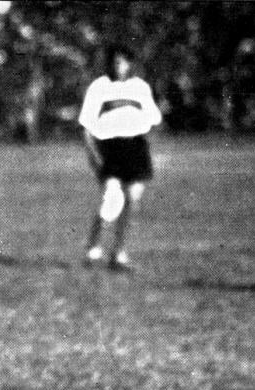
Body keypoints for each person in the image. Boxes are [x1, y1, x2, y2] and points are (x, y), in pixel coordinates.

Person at [79, 44, 162, 272]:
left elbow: (154, 119)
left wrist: (145, 144)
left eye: (123, 61)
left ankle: (119, 253)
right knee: (112, 198)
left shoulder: (140, 87)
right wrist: (93, 156)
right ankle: (93, 248)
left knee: (132, 201)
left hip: (135, 148)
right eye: (115, 61)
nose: (119, 66)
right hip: (110, 148)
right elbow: (86, 127)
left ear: (130, 63)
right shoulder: (100, 87)